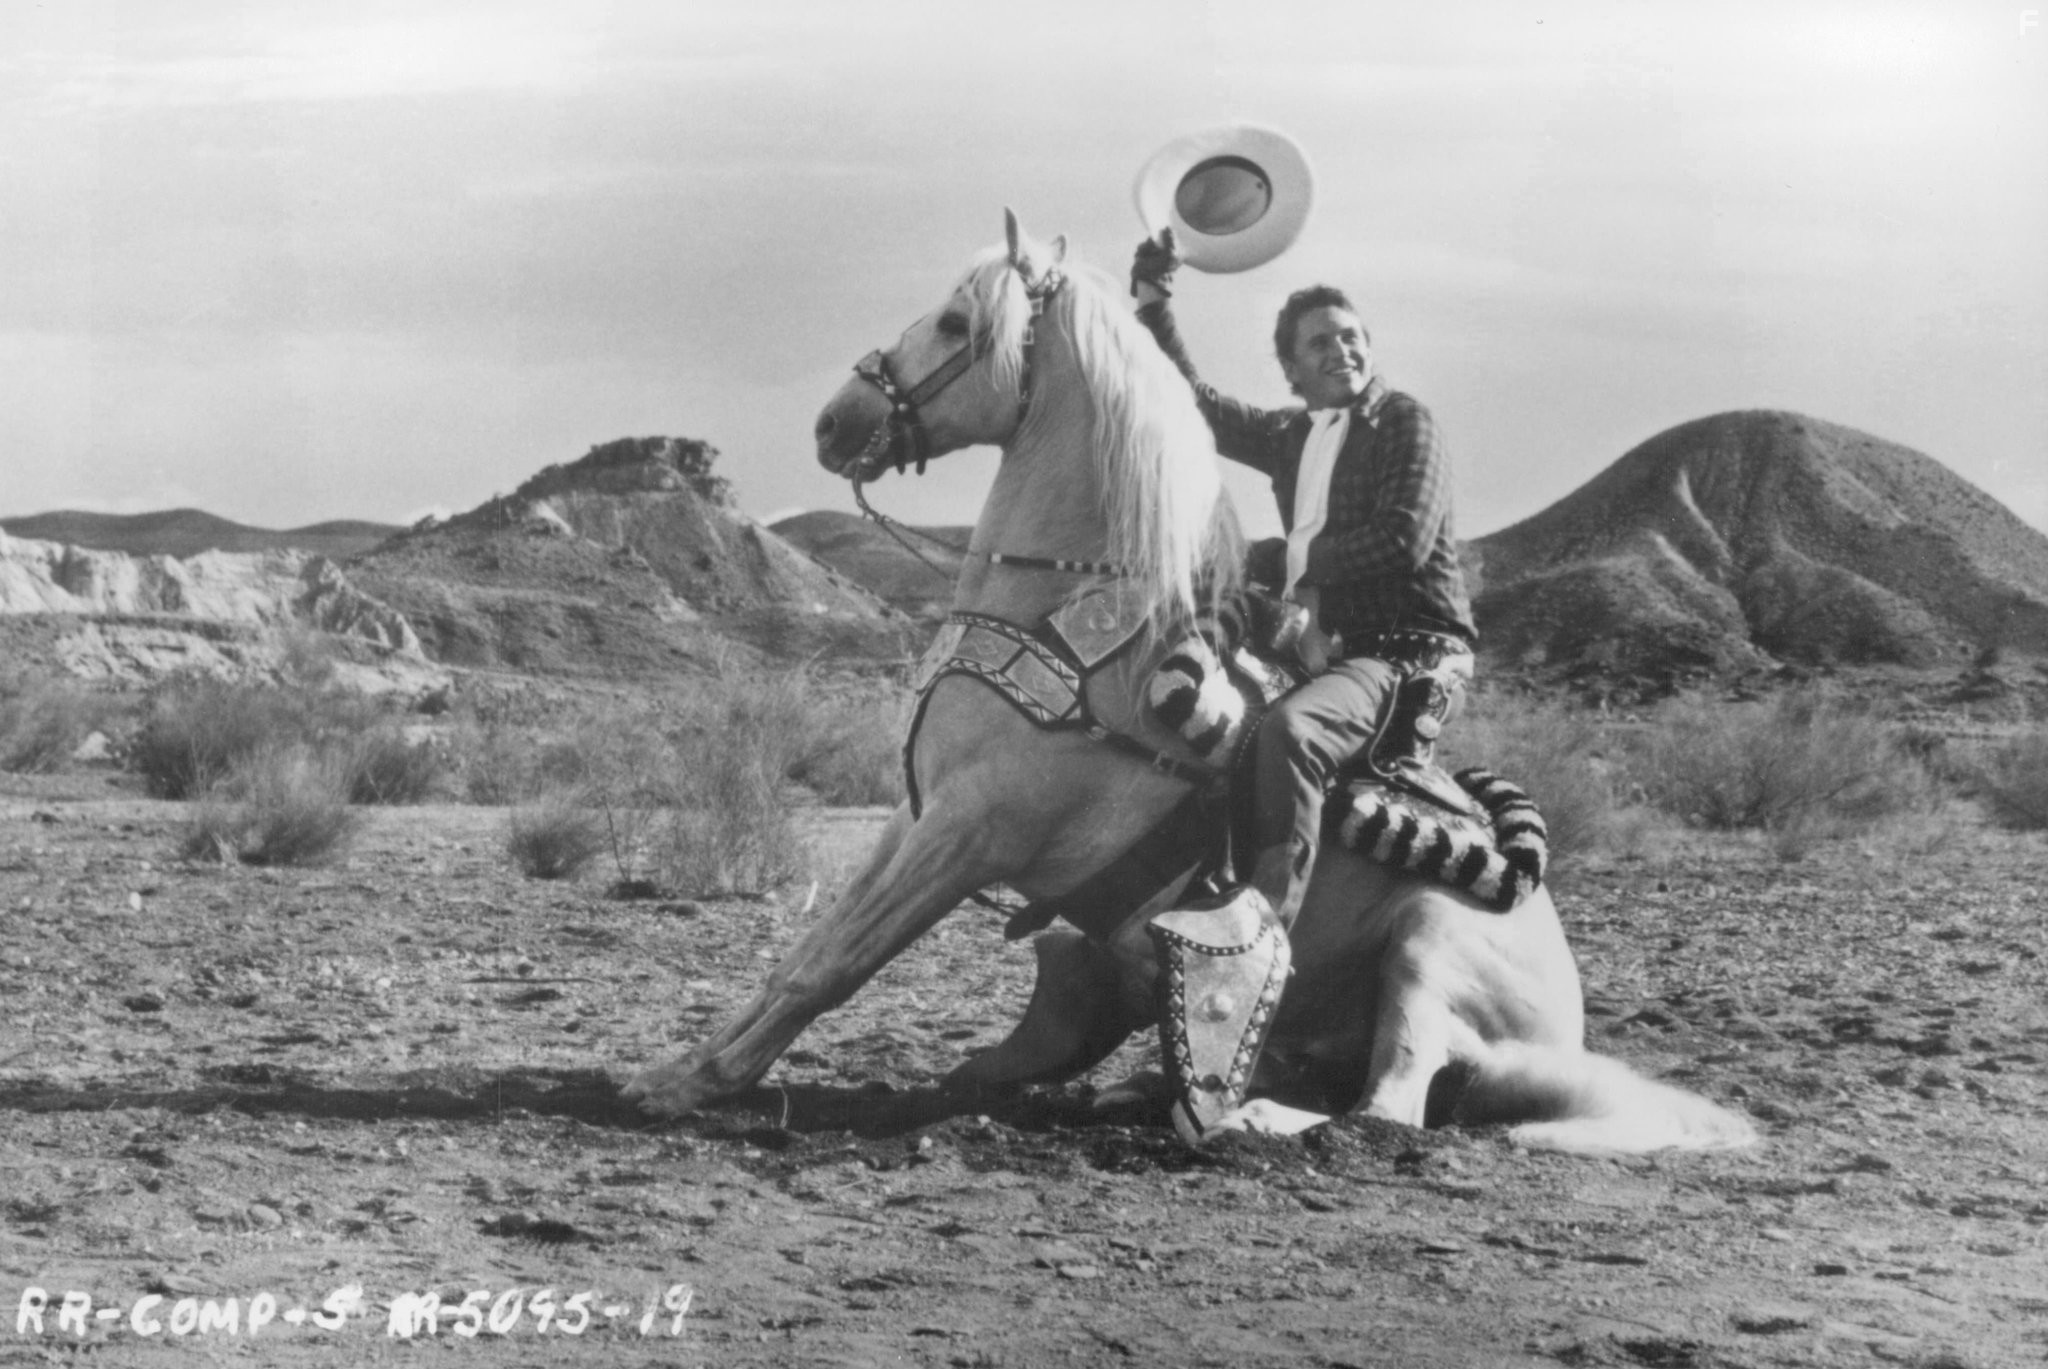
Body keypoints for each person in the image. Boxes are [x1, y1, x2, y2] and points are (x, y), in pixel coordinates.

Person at [1131, 229, 1477, 930]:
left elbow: (1402, 541)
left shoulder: (1405, 422)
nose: (1341, 350)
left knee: (1290, 730)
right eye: (1320, 343)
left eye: (1351, 337)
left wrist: (1268, 558)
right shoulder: (1293, 435)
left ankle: (1265, 927)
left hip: (1409, 651)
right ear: (1292, 370)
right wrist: (1152, 299)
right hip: (1329, 646)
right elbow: (1194, 402)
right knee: (1203, 704)